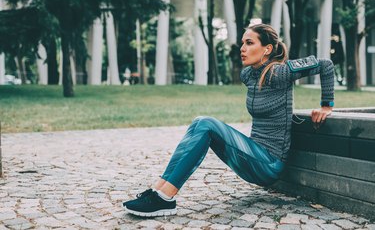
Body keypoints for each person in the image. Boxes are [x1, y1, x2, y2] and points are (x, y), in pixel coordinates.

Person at [122, 23, 335, 217]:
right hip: (252, 155)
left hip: (269, 163)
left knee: (206, 123)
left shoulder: (280, 72)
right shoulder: (249, 75)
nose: (242, 48)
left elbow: (325, 65)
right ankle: (158, 190)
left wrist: (326, 105)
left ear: (267, 49)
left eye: (249, 43)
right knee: (199, 122)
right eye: (242, 43)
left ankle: (165, 199)